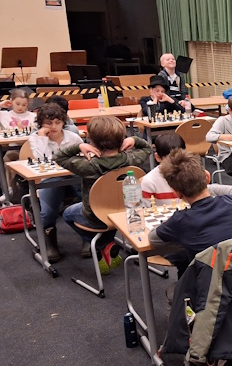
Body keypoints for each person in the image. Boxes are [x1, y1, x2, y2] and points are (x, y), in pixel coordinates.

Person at [54, 117, 152, 270]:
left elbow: (58, 157)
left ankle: (102, 244)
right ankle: (107, 243)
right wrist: (134, 139)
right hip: (127, 214)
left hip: (96, 217)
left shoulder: (87, 165)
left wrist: (79, 146)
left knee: (67, 214)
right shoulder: (132, 159)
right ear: (122, 139)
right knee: (104, 210)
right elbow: (148, 148)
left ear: (91, 141)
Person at [147, 149, 232, 277]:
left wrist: (182, 237)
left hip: (208, 286)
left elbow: (153, 239)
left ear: (177, 193)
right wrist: (203, 186)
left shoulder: (180, 221)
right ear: (207, 177)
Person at [25, 103, 83, 261]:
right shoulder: (36, 138)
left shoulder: (73, 138)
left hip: (73, 178)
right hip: (49, 180)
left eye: (58, 122)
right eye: (49, 123)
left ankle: (87, 237)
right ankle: (50, 242)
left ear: (64, 122)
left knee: (88, 200)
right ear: (41, 124)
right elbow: (40, 158)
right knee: (48, 212)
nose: (54, 126)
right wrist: (42, 137)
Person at [141, 133, 186, 206]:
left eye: (180, 158)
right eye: (170, 160)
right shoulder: (149, 182)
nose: (176, 163)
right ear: (158, 157)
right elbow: (145, 209)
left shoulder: (191, 175)